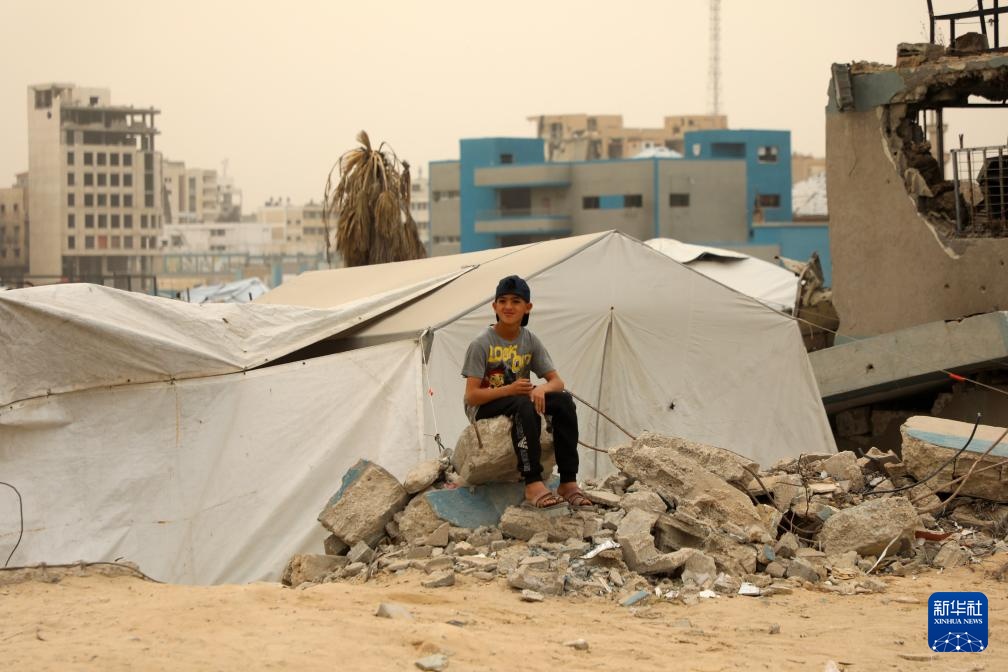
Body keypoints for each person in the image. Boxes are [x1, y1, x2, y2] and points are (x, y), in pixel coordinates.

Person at [461, 275, 591, 509]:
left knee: (564, 402)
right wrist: (509, 389)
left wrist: (542, 389)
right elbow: (471, 396)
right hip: (485, 404)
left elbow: (557, 381)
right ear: (494, 306)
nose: (508, 307)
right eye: (502, 301)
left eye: (516, 301)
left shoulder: (530, 340)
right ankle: (532, 483)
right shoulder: (481, 343)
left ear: (527, 307)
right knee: (524, 406)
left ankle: (568, 481)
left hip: (518, 397)